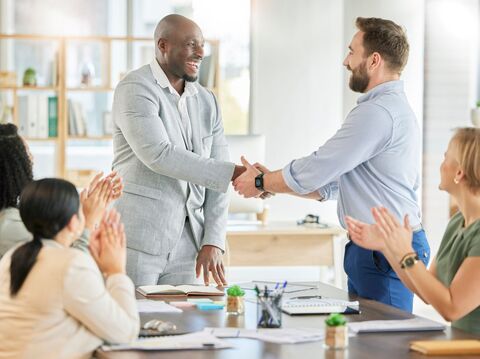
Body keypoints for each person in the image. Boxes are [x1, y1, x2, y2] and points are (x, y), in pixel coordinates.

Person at [234, 17, 430, 312]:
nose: (345, 61)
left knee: (387, 345)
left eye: (352, 51)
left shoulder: (378, 113)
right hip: (372, 250)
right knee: (367, 344)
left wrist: (262, 182)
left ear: (374, 60)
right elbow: (332, 184)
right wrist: (271, 183)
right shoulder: (384, 110)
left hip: (385, 251)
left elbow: (318, 167)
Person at [112, 14, 244, 286]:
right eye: (191, 44)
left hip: (191, 246)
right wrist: (236, 173)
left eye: (202, 45)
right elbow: (159, 154)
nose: (201, 52)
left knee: (191, 326)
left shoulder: (208, 101)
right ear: (163, 45)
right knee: (138, 325)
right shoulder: (135, 88)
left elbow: (218, 177)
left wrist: (214, 240)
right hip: (139, 241)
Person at [345, 128, 480, 334]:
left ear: (459, 173)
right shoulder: (458, 222)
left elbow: (452, 308)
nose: (441, 165)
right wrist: (389, 247)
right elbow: (427, 290)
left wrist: (406, 254)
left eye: (445, 158)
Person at [0, 178, 139, 358]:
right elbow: (125, 332)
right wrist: (116, 272)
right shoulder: (71, 264)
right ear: (74, 222)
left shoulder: (13, 256)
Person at [0, 123, 123, 256]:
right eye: (27, 153)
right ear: (13, 168)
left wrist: (82, 213)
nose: (32, 159)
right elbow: (65, 269)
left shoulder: (13, 214)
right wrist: (88, 221)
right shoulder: (9, 227)